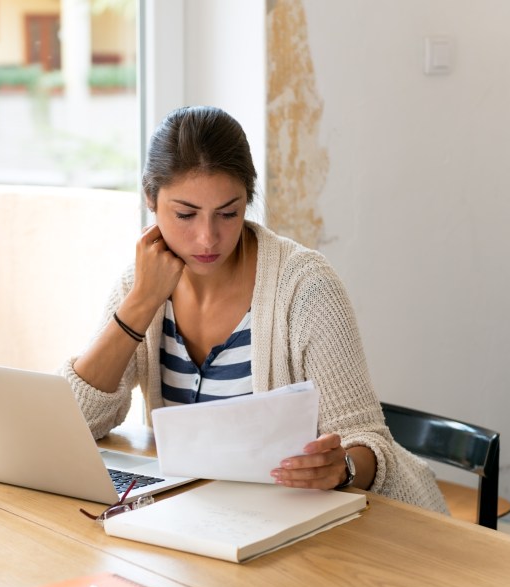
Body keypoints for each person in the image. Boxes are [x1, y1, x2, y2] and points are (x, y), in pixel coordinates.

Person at [61, 105, 447, 512]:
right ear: (150, 200)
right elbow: (74, 425)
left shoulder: (305, 287)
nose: (208, 237)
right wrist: (140, 303)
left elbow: (368, 442)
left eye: (228, 213)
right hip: (211, 517)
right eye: (185, 214)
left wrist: (343, 468)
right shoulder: (139, 283)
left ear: (248, 199)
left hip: (328, 527)